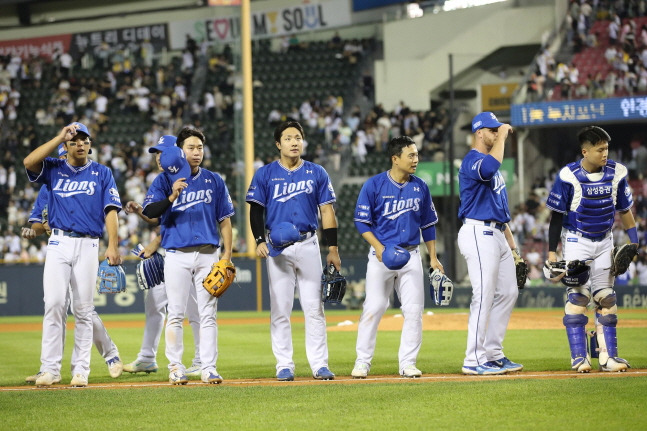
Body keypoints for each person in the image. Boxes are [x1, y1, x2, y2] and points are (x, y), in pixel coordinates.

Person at [23, 122, 123, 387]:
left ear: (90, 144)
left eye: (85, 140)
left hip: (89, 244)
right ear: (65, 146)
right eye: (75, 140)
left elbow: (111, 210)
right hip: (58, 242)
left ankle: (81, 370)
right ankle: (50, 369)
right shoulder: (54, 169)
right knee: (54, 304)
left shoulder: (102, 172)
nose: (81, 144)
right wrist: (59, 135)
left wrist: (113, 245)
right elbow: (29, 161)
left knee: (83, 309)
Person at [246, 120, 340, 381]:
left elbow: (327, 212)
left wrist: (332, 248)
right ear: (278, 144)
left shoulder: (317, 172)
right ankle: (284, 364)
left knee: (314, 308)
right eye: (288, 138)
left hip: (309, 244)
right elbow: (255, 209)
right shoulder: (265, 173)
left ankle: (319, 364)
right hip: (278, 250)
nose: (294, 142)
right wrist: (258, 240)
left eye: (298, 137)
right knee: (280, 308)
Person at [142, 127, 234, 385]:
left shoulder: (214, 180)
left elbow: (225, 220)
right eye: (191, 148)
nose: (196, 152)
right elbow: (150, 212)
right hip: (176, 255)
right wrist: (171, 196)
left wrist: (226, 254)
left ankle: (209, 367)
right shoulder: (163, 180)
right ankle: (175, 367)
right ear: (180, 151)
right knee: (176, 313)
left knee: (207, 314)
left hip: (208, 254)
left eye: (200, 148)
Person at [350, 136, 444, 379]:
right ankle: (362, 361)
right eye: (411, 155)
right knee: (374, 307)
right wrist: (379, 248)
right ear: (395, 159)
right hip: (381, 255)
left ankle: (408, 363)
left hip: (411, 255)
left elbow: (429, 224)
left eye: (416, 154)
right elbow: (362, 222)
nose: (416, 159)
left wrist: (432, 257)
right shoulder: (374, 185)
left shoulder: (420, 186)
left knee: (413, 311)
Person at [545, 126, 637, 373]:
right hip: (577, 241)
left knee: (606, 298)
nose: (605, 153)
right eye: (600, 149)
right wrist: (552, 252)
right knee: (578, 298)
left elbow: (625, 211)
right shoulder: (568, 176)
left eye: (606, 148)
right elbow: (556, 217)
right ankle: (579, 357)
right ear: (585, 151)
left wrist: (634, 241)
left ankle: (608, 358)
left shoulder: (617, 173)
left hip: (605, 241)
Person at [122, 136, 202, 377]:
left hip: (192, 250)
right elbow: (155, 215)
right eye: (156, 153)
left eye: (162, 151)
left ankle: (201, 359)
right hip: (169, 251)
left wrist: (156, 241)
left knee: (195, 310)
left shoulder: (196, 177)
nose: (158, 157)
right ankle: (147, 357)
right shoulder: (160, 180)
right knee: (154, 304)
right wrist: (140, 212)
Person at [457, 112, 523, 376]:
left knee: (508, 292)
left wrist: (514, 249)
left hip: (496, 233)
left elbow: (501, 213)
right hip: (476, 230)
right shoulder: (473, 160)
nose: (497, 132)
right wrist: (505, 134)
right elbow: (489, 168)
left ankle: (493, 354)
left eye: (498, 129)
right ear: (479, 132)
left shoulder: (492, 164)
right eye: (492, 129)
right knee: (483, 294)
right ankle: (473, 360)